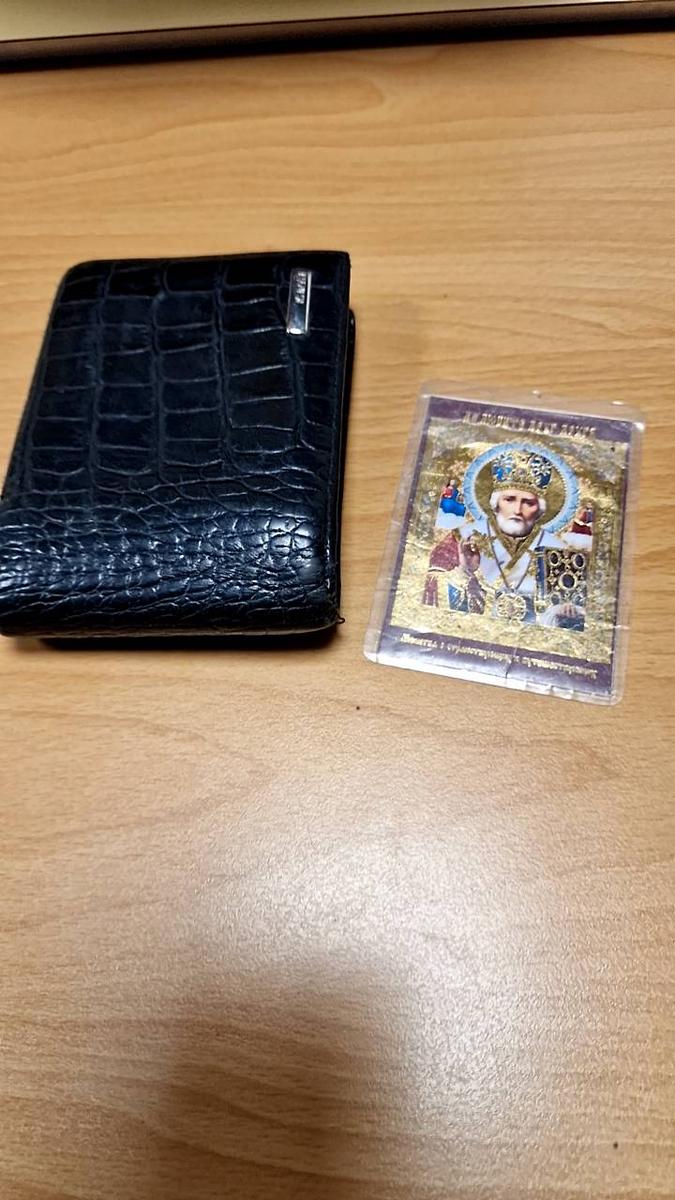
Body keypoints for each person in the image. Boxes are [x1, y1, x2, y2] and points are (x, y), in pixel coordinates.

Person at [430, 448, 588, 627]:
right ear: (495, 503)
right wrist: (466, 571)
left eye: (528, 502)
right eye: (509, 499)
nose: (517, 510)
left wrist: (563, 611)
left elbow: (575, 606)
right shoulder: (463, 537)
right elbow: (431, 588)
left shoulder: (558, 549)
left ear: (540, 510)